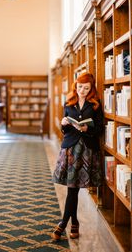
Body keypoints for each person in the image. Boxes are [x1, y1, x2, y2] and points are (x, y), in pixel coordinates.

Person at [51, 72, 104, 240]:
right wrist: (63, 124)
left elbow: (100, 129)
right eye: (80, 87)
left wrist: (88, 129)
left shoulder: (95, 104)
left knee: (73, 190)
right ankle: (71, 223)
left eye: (86, 88)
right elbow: (65, 131)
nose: (82, 90)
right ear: (75, 86)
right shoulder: (68, 102)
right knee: (72, 189)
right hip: (71, 150)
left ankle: (64, 223)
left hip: (87, 150)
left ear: (91, 89)